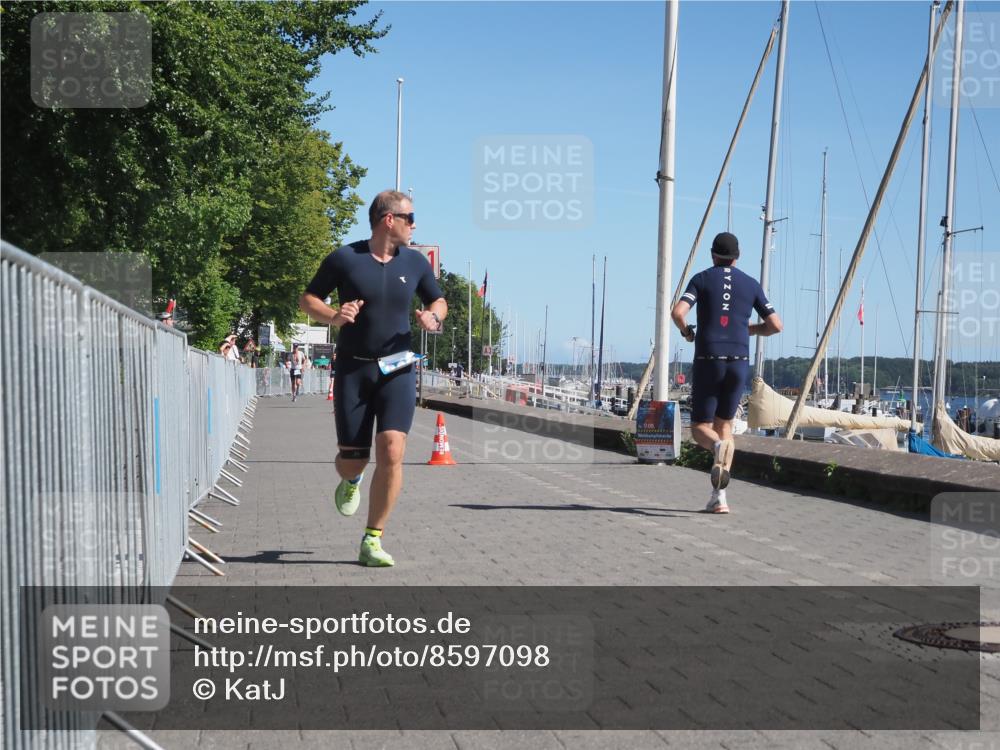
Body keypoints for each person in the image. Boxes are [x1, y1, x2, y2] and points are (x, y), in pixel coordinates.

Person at [299, 190, 447, 567]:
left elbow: (438, 300)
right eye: (409, 217)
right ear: (388, 220)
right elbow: (308, 299)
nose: (414, 225)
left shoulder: (415, 263)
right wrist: (334, 315)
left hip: (398, 367)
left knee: (393, 450)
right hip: (354, 367)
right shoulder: (345, 258)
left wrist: (433, 317)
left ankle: (372, 539)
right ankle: (351, 481)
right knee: (353, 461)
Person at [671, 231, 782, 514]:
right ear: (737, 257)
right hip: (738, 361)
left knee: (700, 429)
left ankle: (717, 447)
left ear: (712, 255)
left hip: (709, 358)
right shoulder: (750, 284)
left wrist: (686, 333)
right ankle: (718, 497)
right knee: (725, 426)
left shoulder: (702, 279)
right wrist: (750, 329)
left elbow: (678, 312)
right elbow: (775, 325)